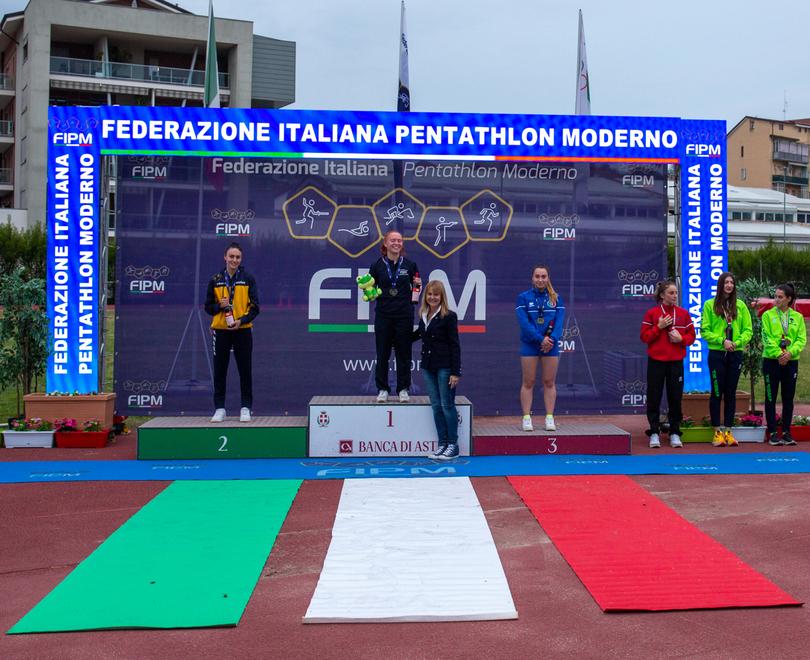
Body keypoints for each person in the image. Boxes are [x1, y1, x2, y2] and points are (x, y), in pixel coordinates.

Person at [204, 242, 260, 423]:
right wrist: (219, 306)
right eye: (231, 256)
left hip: (242, 330)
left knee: (245, 370)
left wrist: (241, 321)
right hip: (221, 331)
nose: (234, 260)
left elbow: (255, 308)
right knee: (220, 371)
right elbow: (208, 307)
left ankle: (246, 408)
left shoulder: (248, 279)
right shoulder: (215, 279)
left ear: (241, 259)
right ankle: (220, 409)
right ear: (225, 257)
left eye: (238, 257)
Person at [640, 280, 696, 448]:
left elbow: (692, 337)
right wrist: (658, 327)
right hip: (656, 362)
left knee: (675, 398)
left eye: (676, 293)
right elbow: (644, 337)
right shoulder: (652, 313)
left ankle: (674, 432)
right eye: (671, 293)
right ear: (662, 295)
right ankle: (654, 432)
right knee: (654, 397)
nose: (674, 296)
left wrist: (681, 339)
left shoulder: (683, 314)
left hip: (676, 362)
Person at [368, 230, 421, 403]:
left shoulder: (410, 265)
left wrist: (415, 295)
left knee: (403, 354)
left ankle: (403, 389)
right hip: (383, 315)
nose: (396, 243)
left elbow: (417, 286)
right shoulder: (377, 266)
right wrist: (368, 291)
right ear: (385, 243)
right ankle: (383, 389)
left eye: (399, 240)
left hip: (404, 316)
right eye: (393, 240)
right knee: (382, 353)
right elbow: (370, 290)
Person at [701, 272, 752, 447]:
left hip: (735, 353)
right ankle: (717, 432)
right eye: (726, 282)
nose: (729, 285)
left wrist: (737, 343)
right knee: (717, 392)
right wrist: (722, 341)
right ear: (720, 285)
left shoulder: (741, 306)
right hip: (717, 354)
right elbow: (704, 330)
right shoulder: (709, 305)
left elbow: (748, 331)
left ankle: (728, 431)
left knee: (731, 393)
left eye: (732, 282)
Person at [412, 280, 462, 459]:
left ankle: (453, 445)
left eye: (436, 294)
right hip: (428, 367)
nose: (432, 297)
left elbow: (455, 345)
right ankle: (442, 444)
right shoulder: (424, 314)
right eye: (430, 294)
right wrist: (396, 338)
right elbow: (418, 335)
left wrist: (455, 372)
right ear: (425, 296)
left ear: (442, 297)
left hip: (445, 368)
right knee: (436, 406)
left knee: (447, 405)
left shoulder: (449, 316)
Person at [516, 265, 565, 432]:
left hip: (550, 345)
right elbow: (524, 324)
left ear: (548, 278)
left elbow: (559, 323)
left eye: (543, 276)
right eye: (537, 276)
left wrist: (551, 340)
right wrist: (540, 339)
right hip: (530, 344)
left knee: (549, 382)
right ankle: (526, 417)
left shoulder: (556, 298)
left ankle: (549, 417)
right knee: (528, 381)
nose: (540, 279)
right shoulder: (523, 298)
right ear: (532, 278)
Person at [761, 283, 807, 446]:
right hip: (771, 361)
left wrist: (790, 353)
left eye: (780, 297)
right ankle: (773, 432)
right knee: (770, 397)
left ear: (789, 299)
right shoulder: (767, 315)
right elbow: (766, 337)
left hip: (791, 361)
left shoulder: (798, 317)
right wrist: (779, 354)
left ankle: (787, 432)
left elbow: (801, 339)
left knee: (788, 398)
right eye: (775, 296)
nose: (776, 299)